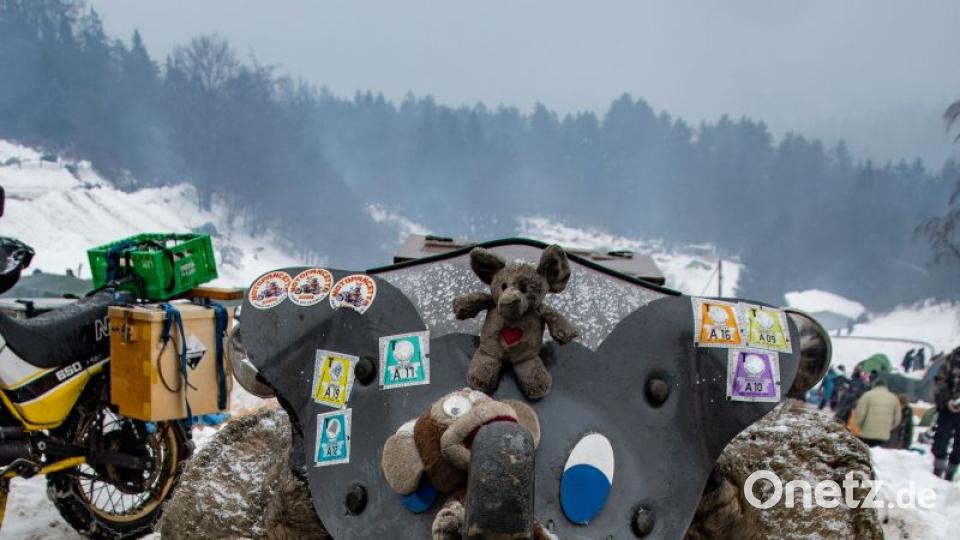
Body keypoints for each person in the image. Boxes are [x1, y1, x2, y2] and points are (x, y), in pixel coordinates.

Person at [932, 347, 960, 480]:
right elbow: (940, 380)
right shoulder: (953, 358)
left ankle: (951, 473)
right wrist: (948, 400)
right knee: (941, 439)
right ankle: (937, 471)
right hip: (947, 408)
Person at [854, 378, 902, 447]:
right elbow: (897, 419)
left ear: (874, 385)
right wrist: (888, 428)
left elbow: (860, 413)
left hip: (867, 434)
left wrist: (860, 426)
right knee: (879, 455)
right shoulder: (894, 398)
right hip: (884, 436)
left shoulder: (867, 395)